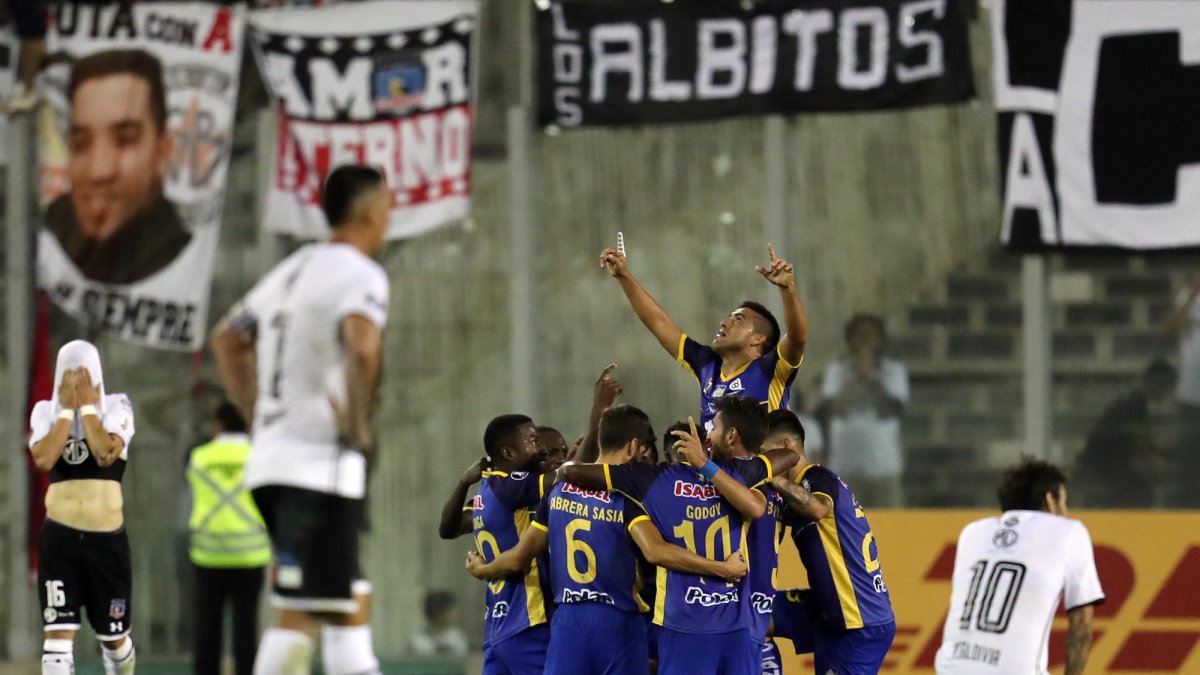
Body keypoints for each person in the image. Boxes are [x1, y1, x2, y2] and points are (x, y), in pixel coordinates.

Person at [210, 164, 391, 675]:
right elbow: (362, 347)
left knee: (342, 599)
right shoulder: (361, 274)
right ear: (371, 213)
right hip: (317, 467)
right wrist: (357, 424)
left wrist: (259, 417)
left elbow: (228, 338)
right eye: (387, 210)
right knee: (308, 610)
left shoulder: (292, 270)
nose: (389, 221)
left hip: (272, 463)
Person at [466, 405, 749, 675]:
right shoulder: (628, 496)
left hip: (568, 623)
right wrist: (722, 568)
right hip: (618, 620)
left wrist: (483, 569)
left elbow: (519, 557)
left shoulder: (559, 491)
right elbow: (656, 552)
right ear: (633, 447)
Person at [558, 396, 800, 675]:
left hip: (684, 627)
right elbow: (788, 456)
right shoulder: (739, 474)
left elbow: (570, 472)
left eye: (713, 428)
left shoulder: (650, 479)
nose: (709, 435)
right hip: (737, 628)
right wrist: (707, 466)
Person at [600, 244, 808, 433]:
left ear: (758, 339)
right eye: (728, 317)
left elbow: (797, 338)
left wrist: (787, 289)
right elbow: (659, 323)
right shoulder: (707, 364)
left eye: (738, 319)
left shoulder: (770, 370)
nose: (724, 323)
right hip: (713, 465)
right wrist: (623, 276)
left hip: (762, 464)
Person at [934, 458, 1104, 674]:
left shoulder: (972, 533)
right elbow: (1081, 626)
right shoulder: (1069, 532)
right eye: (1063, 502)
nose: (1066, 512)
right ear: (1049, 500)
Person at [28, 340, 137, 675]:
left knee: (114, 640)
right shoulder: (45, 412)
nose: (76, 382)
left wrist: (88, 408)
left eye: (83, 374)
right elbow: (44, 459)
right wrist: (65, 411)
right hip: (59, 541)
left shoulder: (118, 406)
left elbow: (105, 454)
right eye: (69, 374)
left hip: (106, 544)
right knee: (57, 644)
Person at [764, 409, 896, 674]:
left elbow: (817, 508)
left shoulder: (817, 477)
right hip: (826, 607)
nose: (762, 462)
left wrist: (769, 476)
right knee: (749, 613)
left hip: (857, 622)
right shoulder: (796, 493)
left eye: (764, 454)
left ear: (787, 446)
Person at [44, 48, 190, 285]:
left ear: (162, 150)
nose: (99, 171)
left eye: (125, 140)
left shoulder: (180, 260)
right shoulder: (43, 234)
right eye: (80, 143)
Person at [438, 415, 554, 675]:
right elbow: (564, 479)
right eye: (533, 440)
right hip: (528, 623)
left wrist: (463, 482)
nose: (540, 448)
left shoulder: (486, 492)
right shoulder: (513, 486)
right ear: (508, 452)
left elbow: (447, 528)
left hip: (496, 629)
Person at [186, 401, 271, 675]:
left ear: (218, 425)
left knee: (207, 627)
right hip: (250, 553)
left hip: (209, 552)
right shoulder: (258, 456)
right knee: (246, 627)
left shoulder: (199, 457)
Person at [818, 313, 909, 507]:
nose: (865, 340)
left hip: (884, 468)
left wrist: (872, 380)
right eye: (859, 335)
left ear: (880, 339)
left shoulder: (894, 371)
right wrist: (857, 378)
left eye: (870, 335)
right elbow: (835, 410)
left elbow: (890, 411)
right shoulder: (836, 371)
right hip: (844, 467)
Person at [1074, 360, 1176, 508]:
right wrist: (1159, 463)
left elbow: (1141, 440)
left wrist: (1162, 454)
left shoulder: (1134, 402)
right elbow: (1140, 443)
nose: (1167, 392)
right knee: (1142, 493)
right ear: (1154, 382)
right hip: (1104, 466)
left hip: (1111, 463)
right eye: (1166, 386)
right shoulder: (1134, 405)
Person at [1164, 277, 1200, 507]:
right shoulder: (1190, 295)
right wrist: (1192, 295)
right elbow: (1172, 324)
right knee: (1189, 456)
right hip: (1191, 394)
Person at [409, 591, 469, 658]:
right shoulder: (417, 642)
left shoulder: (457, 638)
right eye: (451, 611)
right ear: (439, 613)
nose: (455, 615)